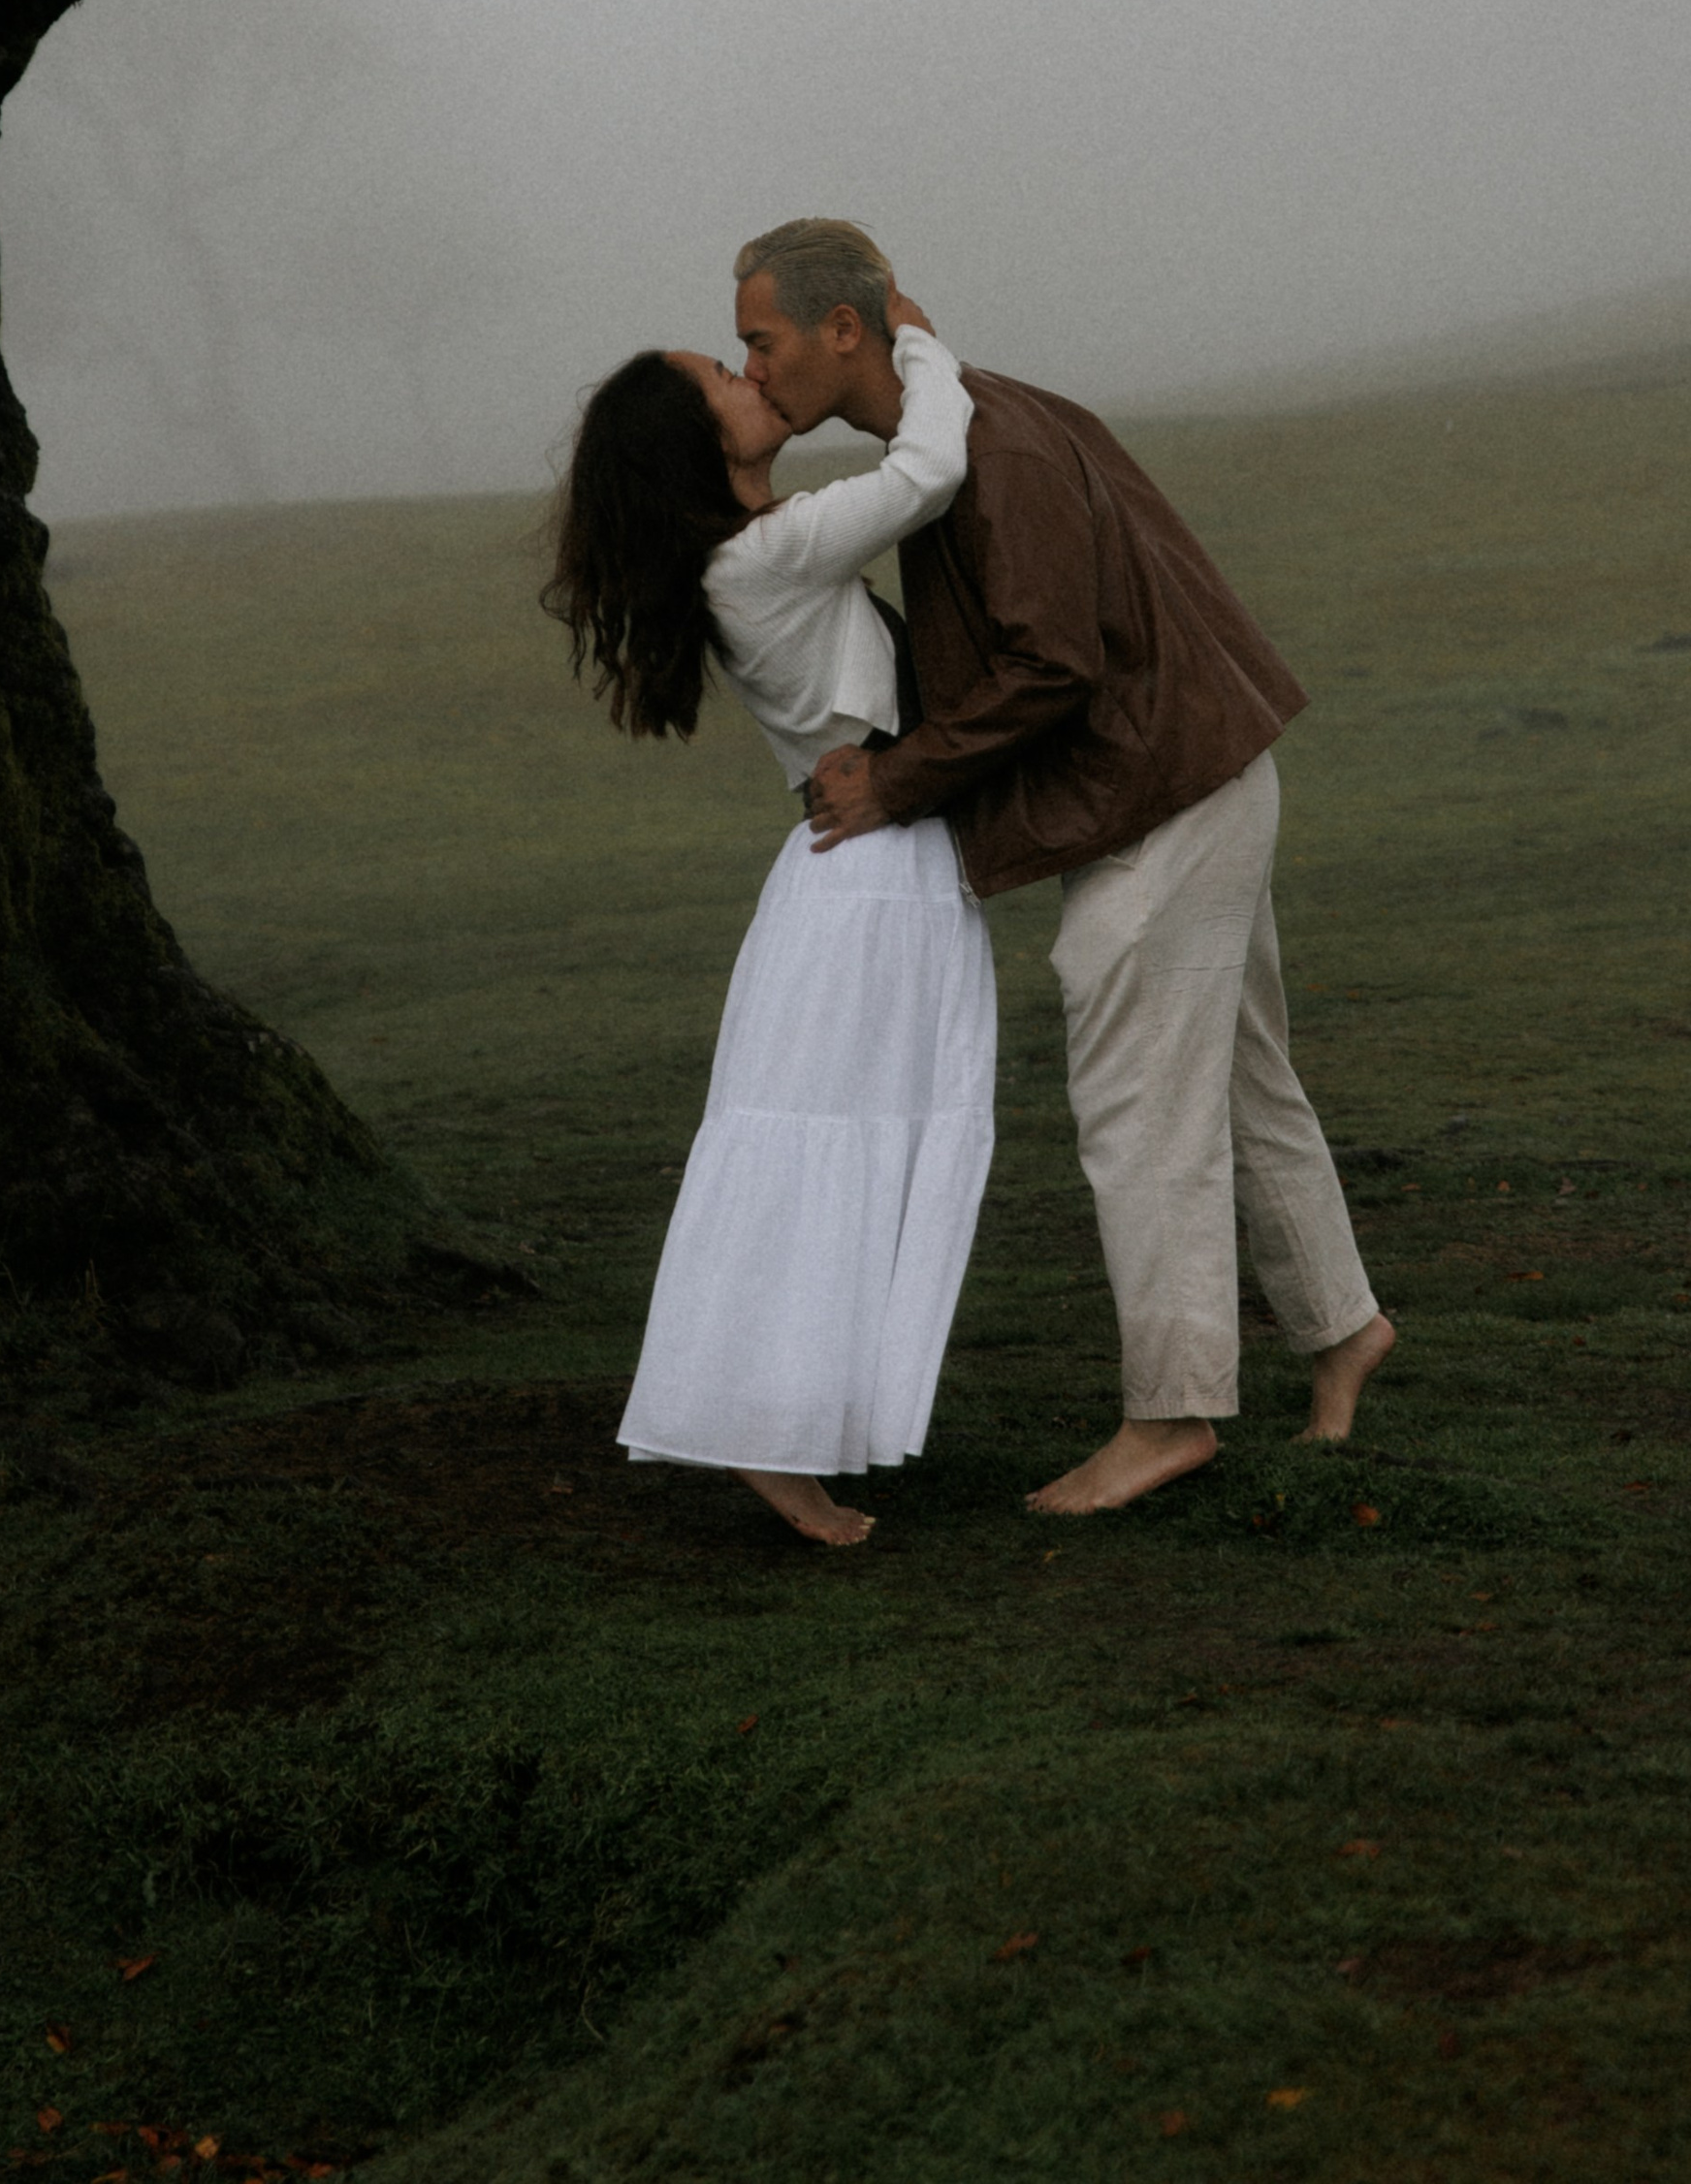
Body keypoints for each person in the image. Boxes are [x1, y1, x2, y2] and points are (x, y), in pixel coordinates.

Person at [735, 217, 1394, 1519]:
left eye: (762, 340)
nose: (750, 368)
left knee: (1136, 1107)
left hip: (1160, 796)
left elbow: (1055, 665)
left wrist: (899, 778)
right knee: (1247, 1083)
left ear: (845, 330)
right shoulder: (966, 426)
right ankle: (1345, 1332)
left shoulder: (995, 447)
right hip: (1190, 773)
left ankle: (1171, 1415)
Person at [546, 260, 993, 1548]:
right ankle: (770, 1446)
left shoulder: (755, 553)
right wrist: (916, 346)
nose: (748, 373)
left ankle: (796, 1426)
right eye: (719, 375)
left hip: (866, 875)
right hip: (863, 889)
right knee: (820, 1158)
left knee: (846, 1152)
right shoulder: (762, 559)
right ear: (695, 443)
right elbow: (929, 476)